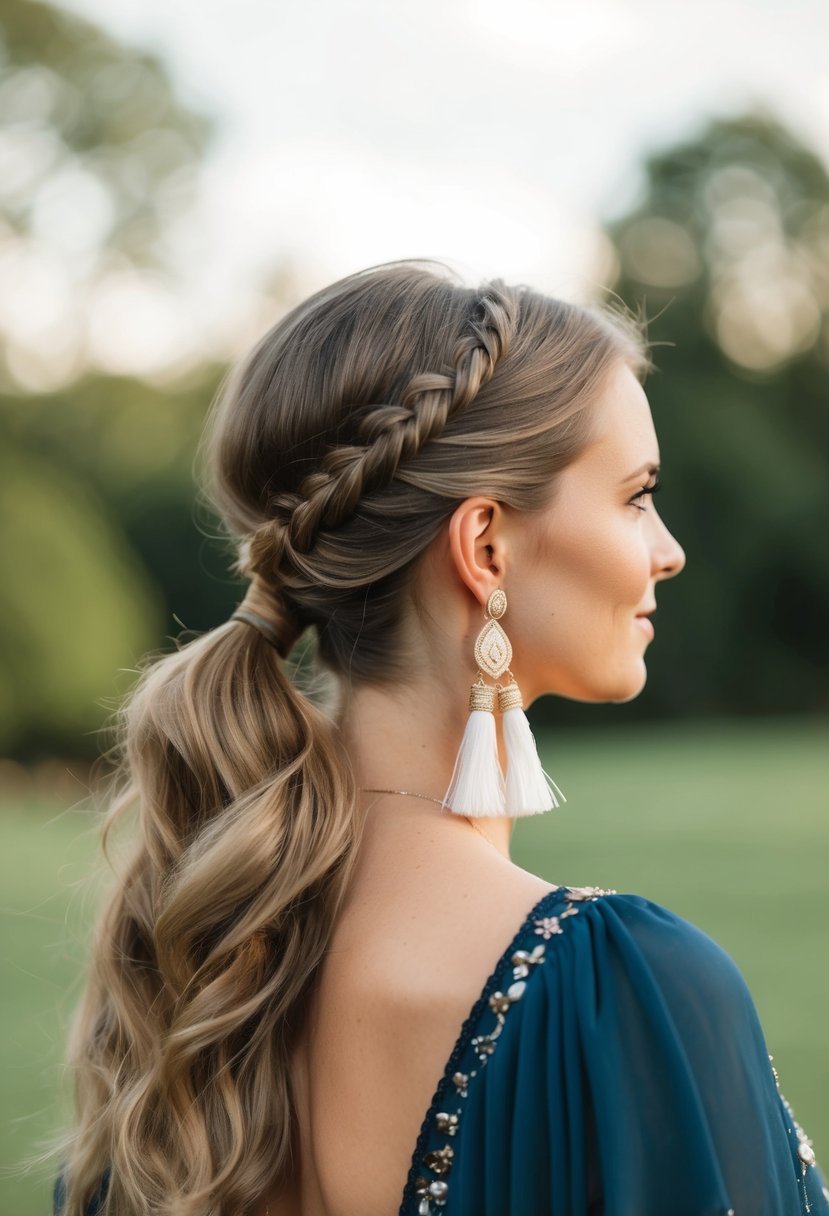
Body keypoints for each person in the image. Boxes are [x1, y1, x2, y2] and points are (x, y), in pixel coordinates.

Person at [52, 261, 828, 1216]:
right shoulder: (623, 991)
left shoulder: (184, 970)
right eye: (635, 495)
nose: (666, 548)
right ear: (486, 547)